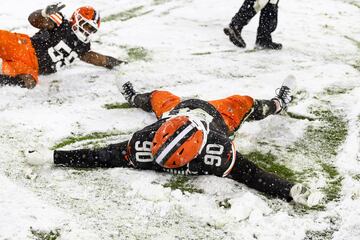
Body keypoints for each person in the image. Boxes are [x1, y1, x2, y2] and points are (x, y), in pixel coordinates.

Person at [52, 77, 322, 207]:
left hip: (205, 114)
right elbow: (103, 155)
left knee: (248, 104)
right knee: (160, 96)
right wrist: (56, 157)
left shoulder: (213, 148)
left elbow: (252, 174)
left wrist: (288, 190)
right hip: (189, 112)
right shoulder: (153, 142)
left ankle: (278, 103)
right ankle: (134, 97)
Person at [0, 3, 126, 89]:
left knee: (28, 83)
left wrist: (115, 62)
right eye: (86, 25)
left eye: (91, 29)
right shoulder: (62, 24)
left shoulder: (82, 46)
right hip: (24, 48)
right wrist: (44, 13)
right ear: (77, 19)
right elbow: (33, 20)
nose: (88, 31)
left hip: (32, 68)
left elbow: (96, 59)